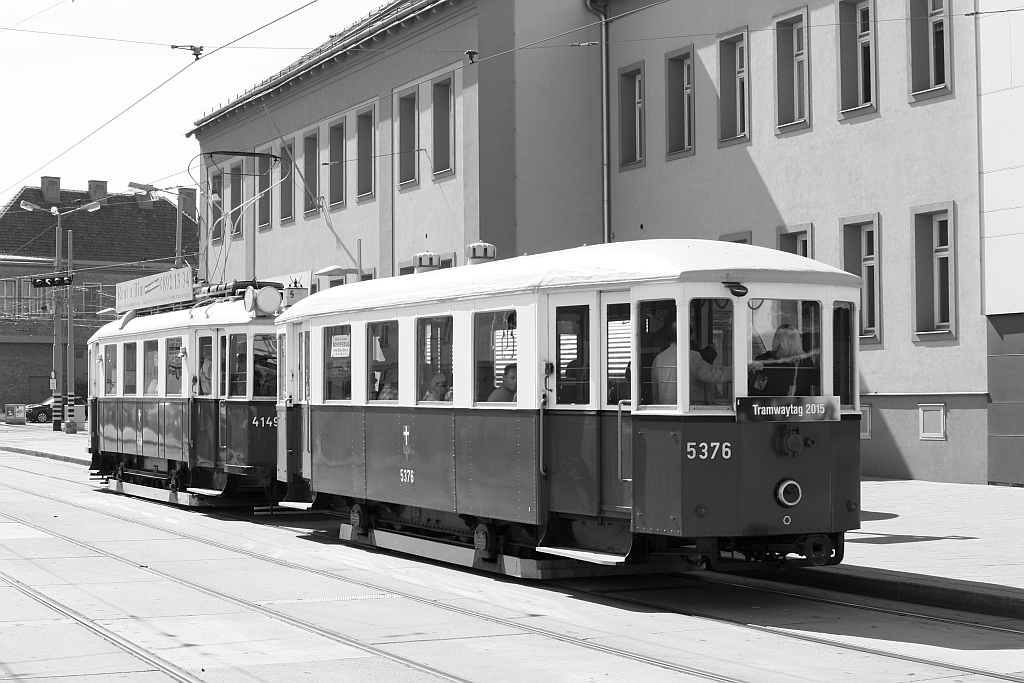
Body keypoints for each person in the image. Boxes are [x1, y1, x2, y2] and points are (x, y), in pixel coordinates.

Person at [652, 322, 731, 405]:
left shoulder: (658, 359)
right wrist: (739, 371)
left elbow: (655, 394)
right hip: (691, 411)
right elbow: (713, 374)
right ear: (688, 336)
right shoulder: (692, 356)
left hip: (666, 411)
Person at [749, 324, 817, 396]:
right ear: (797, 341)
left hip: (770, 405)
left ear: (777, 339)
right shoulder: (806, 363)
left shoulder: (766, 360)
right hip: (799, 406)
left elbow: (758, 389)